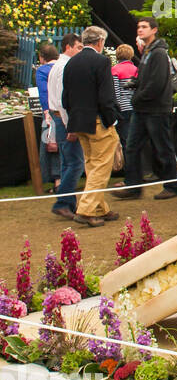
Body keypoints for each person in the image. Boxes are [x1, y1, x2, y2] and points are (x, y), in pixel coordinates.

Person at [62, 26, 120, 228]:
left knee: (92, 165)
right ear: (100, 42)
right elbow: (106, 96)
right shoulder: (102, 61)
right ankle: (86, 210)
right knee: (101, 166)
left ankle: (99, 207)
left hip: (79, 121)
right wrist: (111, 118)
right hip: (98, 121)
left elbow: (65, 98)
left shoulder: (71, 63)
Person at [117, 16, 177, 202]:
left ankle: (171, 186)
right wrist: (135, 83)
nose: (140, 30)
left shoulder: (158, 54)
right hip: (143, 109)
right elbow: (147, 79)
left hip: (156, 109)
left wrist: (137, 96)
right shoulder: (147, 52)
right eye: (139, 27)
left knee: (163, 148)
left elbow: (157, 83)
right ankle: (133, 186)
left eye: (144, 27)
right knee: (132, 147)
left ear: (154, 30)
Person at [45, 33, 85, 222]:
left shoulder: (58, 66)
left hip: (59, 116)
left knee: (67, 162)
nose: (80, 51)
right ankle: (63, 203)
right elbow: (63, 100)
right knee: (75, 162)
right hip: (62, 118)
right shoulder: (63, 67)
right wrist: (71, 126)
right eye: (78, 47)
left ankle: (67, 202)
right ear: (68, 47)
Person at [34, 42, 60, 189]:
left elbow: (44, 92)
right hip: (66, 110)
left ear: (42, 57)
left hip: (51, 110)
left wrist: (46, 113)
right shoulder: (64, 66)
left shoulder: (43, 70)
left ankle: (57, 182)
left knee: (52, 146)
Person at [110, 43, 138, 161]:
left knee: (124, 139)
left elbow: (115, 92)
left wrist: (117, 108)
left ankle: (127, 165)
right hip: (134, 107)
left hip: (123, 108)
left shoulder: (114, 70)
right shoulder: (136, 69)